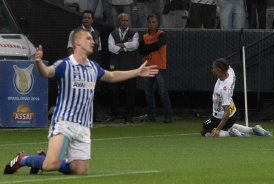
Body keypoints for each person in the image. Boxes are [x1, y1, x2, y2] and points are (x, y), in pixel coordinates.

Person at [3, 28, 158, 175]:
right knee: (51, 166)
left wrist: (137, 72)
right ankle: (23, 159)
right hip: (64, 122)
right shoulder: (65, 64)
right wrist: (38, 63)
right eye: (89, 38)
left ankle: (49, 157)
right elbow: (46, 73)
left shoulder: (93, 67)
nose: (93, 41)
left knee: (79, 170)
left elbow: (111, 76)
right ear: (77, 42)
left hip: (83, 125)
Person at [200, 58, 272, 137]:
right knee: (227, 126)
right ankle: (252, 130)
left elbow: (226, 112)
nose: (212, 70)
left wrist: (217, 129)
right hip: (233, 112)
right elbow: (228, 66)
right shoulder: (230, 72)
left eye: (214, 68)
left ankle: (231, 133)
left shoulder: (224, 89)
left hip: (221, 116)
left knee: (205, 132)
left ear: (219, 70)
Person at [67, 10, 102, 122]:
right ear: (82, 19)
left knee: (92, 90)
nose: (86, 19)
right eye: (85, 18)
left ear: (92, 20)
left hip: (92, 66)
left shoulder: (96, 33)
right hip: (79, 66)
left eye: (89, 18)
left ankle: (92, 115)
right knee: (79, 90)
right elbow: (69, 48)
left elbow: (99, 50)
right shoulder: (75, 32)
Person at [138, 14, 173, 123]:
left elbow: (157, 46)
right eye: (150, 22)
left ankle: (168, 116)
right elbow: (140, 50)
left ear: (157, 24)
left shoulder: (162, 34)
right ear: (147, 23)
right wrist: (149, 48)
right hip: (147, 66)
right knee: (148, 93)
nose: (151, 24)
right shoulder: (144, 36)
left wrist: (147, 48)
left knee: (162, 92)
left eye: (153, 22)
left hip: (159, 66)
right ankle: (151, 116)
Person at [107, 13, 139, 123]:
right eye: (123, 20)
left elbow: (134, 45)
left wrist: (121, 45)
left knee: (130, 92)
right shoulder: (112, 34)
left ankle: (128, 115)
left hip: (130, 68)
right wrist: (126, 46)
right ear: (119, 22)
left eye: (126, 20)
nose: (125, 22)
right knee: (113, 91)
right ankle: (115, 114)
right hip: (116, 67)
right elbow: (110, 48)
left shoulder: (134, 33)